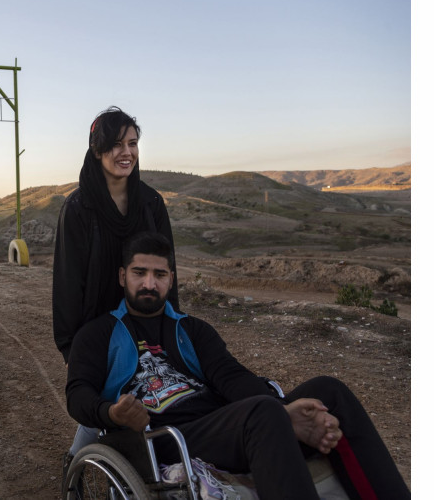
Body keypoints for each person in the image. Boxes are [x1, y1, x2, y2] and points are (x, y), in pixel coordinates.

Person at [65, 231, 409, 500]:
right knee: (263, 413)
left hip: (224, 426)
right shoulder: (98, 334)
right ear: (123, 275)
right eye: (139, 273)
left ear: (172, 278)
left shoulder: (191, 329)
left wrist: (284, 409)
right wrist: (113, 414)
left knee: (329, 392)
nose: (149, 284)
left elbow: (229, 375)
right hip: (163, 439)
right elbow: (78, 394)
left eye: (160, 274)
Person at [53, 107, 179, 465]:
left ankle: (155, 463)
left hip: (146, 315)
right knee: (108, 394)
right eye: (116, 144)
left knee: (155, 390)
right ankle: (79, 461)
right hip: (99, 324)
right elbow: (67, 282)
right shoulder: (79, 208)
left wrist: (174, 323)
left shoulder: (152, 203)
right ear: (97, 151)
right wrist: (71, 347)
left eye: (133, 143)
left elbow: (168, 268)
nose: (126, 152)